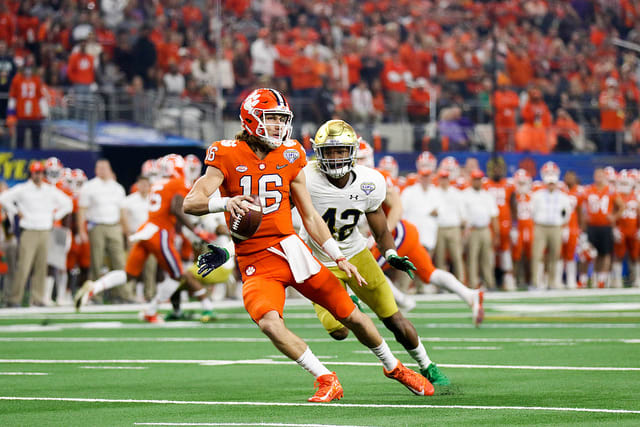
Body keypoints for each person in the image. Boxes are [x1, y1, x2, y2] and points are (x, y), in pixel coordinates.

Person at [184, 88, 434, 403]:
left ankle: (394, 367)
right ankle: (326, 378)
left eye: (281, 119)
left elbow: (310, 216)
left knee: (350, 314)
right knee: (270, 324)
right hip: (256, 259)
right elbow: (191, 203)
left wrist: (337, 256)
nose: (277, 126)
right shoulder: (225, 152)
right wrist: (226, 202)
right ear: (250, 119)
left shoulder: (292, 153)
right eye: (270, 118)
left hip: (294, 250)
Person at [303, 119, 450, 386]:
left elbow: (380, 229)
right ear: (318, 152)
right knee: (338, 332)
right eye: (329, 151)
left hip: (356, 253)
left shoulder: (369, 181)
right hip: (318, 260)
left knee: (393, 317)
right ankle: (348, 302)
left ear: (353, 152)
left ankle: (427, 365)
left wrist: (390, 253)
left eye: (340, 151)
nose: (335, 158)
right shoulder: (305, 176)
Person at [75, 155, 213, 320]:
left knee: (129, 274)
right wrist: (196, 231)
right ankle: (153, 310)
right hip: (160, 234)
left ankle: (95, 287)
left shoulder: (157, 183)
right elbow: (177, 209)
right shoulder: (178, 182)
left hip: (146, 230)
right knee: (178, 275)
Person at [0, 161, 72, 306]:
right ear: (31, 174)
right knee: (24, 266)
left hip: (45, 230)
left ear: (43, 174)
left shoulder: (49, 190)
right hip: (29, 230)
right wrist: (15, 211)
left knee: (41, 266)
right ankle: (15, 299)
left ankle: (38, 299)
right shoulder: (23, 189)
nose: (38, 175)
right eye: (35, 172)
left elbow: (68, 204)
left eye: (40, 173)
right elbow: (3, 199)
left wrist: (55, 216)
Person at [77, 159, 134, 303]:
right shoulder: (89, 187)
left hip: (114, 226)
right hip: (97, 226)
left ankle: (122, 294)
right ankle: (95, 295)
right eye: (99, 168)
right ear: (96, 170)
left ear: (109, 169)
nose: (102, 170)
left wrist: (127, 233)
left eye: (105, 168)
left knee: (119, 262)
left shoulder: (117, 188)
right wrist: (81, 230)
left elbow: (122, 213)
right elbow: (81, 210)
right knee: (96, 262)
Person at [530, 162, 572, 289]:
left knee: (555, 255)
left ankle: (552, 282)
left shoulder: (563, 196)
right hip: (541, 227)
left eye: (553, 182)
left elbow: (567, 213)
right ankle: (535, 282)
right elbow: (532, 211)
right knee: (537, 255)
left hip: (556, 227)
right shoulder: (537, 195)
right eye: (549, 182)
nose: (551, 184)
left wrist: (564, 227)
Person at [582, 168, 623, 288]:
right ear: (594, 176)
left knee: (605, 253)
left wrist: (614, 217)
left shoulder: (610, 191)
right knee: (589, 253)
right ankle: (589, 278)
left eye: (601, 175)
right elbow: (582, 207)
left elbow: (621, 206)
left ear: (604, 177)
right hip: (592, 226)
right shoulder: (588, 190)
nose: (599, 177)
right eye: (597, 175)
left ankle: (601, 280)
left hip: (605, 226)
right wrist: (584, 220)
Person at [463, 169, 498, 289]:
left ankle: (490, 283)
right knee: (472, 258)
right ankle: (473, 284)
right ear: (471, 180)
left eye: (479, 179)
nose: (477, 182)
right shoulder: (465, 194)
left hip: (485, 229)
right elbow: (463, 214)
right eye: (475, 179)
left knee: (487, 258)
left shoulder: (487, 195)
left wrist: (496, 233)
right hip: (472, 230)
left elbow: (494, 215)